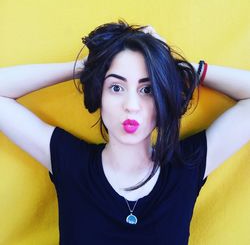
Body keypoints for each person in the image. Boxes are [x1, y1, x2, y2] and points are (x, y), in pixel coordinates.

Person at [0, 20, 249, 245]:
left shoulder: (186, 168)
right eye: (116, 87)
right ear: (99, 92)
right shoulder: (70, 162)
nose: (131, 105)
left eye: (147, 89)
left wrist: (178, 68)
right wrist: (90, 66)